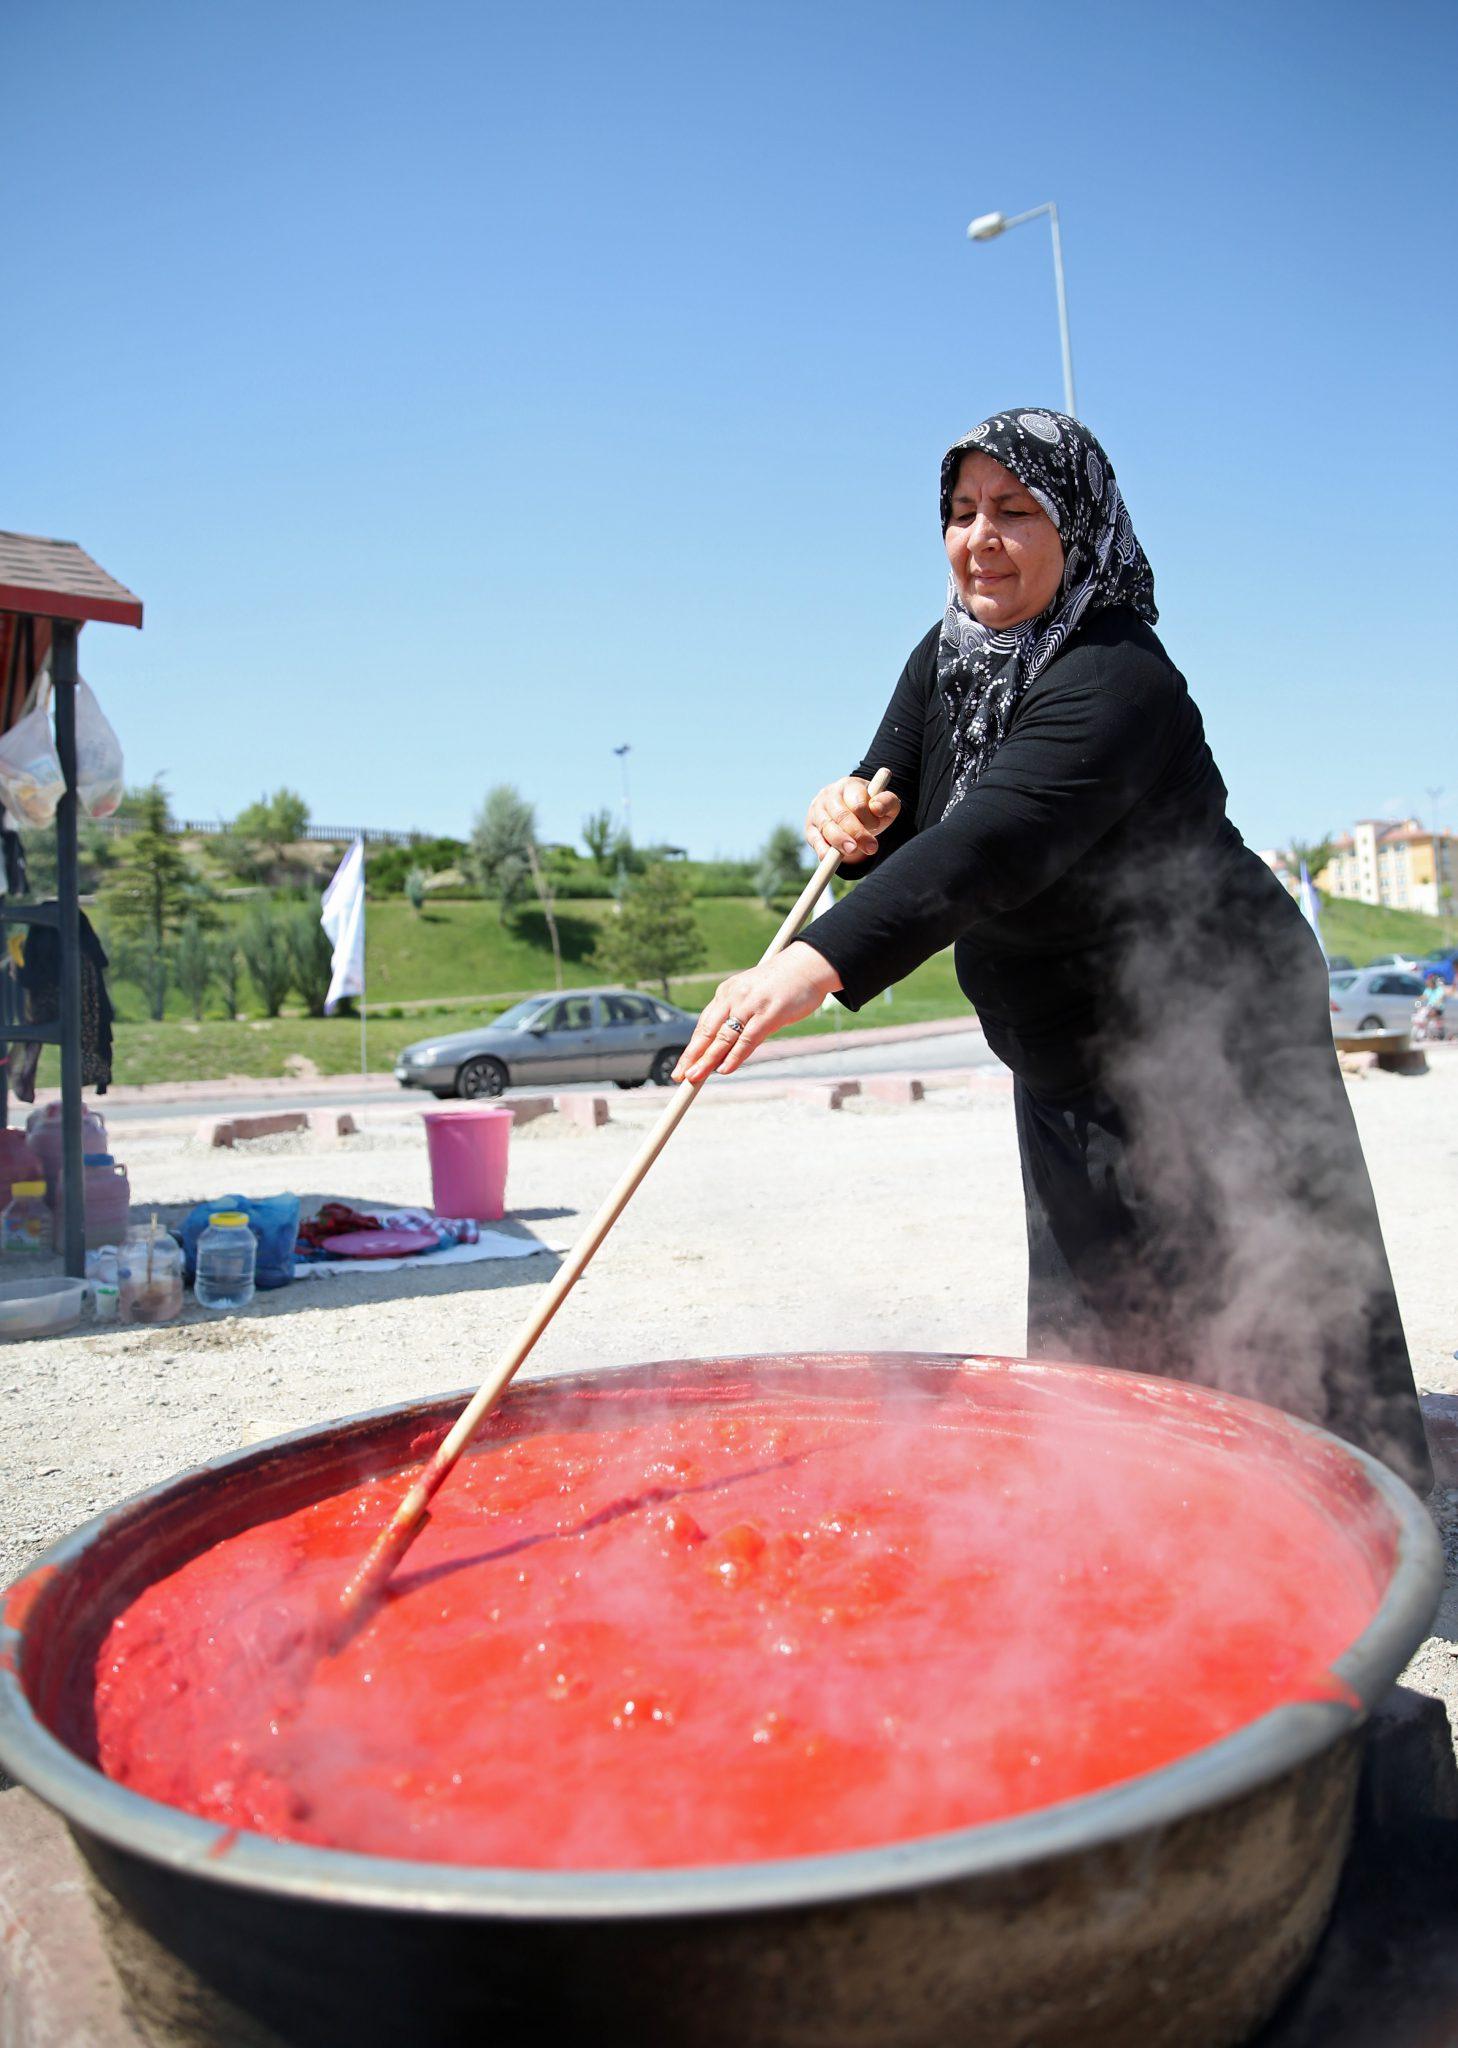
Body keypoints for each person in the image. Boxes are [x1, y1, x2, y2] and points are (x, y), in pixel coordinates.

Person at [675, 407, 1432, 1495]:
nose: (980, 537)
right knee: (1100, 1298)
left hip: (1214, 1029)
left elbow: (997, 836)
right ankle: (1129, 1513)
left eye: (1015, 511)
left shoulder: (1120, 675)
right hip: (1064, 1041)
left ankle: (1353, 1526)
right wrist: (844, 815)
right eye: (961, 512)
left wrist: (812, 962)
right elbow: (896, 804)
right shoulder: (945, 659)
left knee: (1272, 1287)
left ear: (1077, 528)